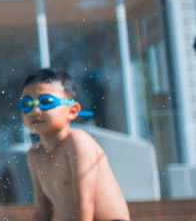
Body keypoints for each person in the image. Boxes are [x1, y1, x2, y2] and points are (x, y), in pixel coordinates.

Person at [20, 68, 130, 221]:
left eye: (46, 102)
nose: (35, 110)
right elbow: (42, 212)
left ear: (72, 111)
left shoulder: (77, 142)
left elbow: (84, 203)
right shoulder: (35, 155)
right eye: (26, 104)